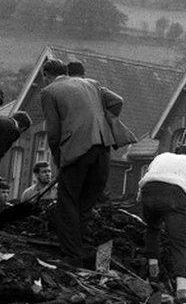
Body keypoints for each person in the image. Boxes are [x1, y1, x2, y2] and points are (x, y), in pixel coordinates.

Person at [39, 58, 125, 265]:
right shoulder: (92, 84)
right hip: (102, 147)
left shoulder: (49, 91)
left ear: (45, 75)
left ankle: (72, 253)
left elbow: (53, 131)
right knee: (86, 200)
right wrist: (104, 121)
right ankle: (82, 243)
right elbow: (117, 101)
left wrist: (59, 159)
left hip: (76, 149)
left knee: (67, 200)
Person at [136, 144, 186, 301]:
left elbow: (145, 179)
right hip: (176, 196)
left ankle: (153, 271)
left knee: (153, 228)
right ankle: (181, 291)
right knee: (181, 244)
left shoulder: (161, 156)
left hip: (149, 190)